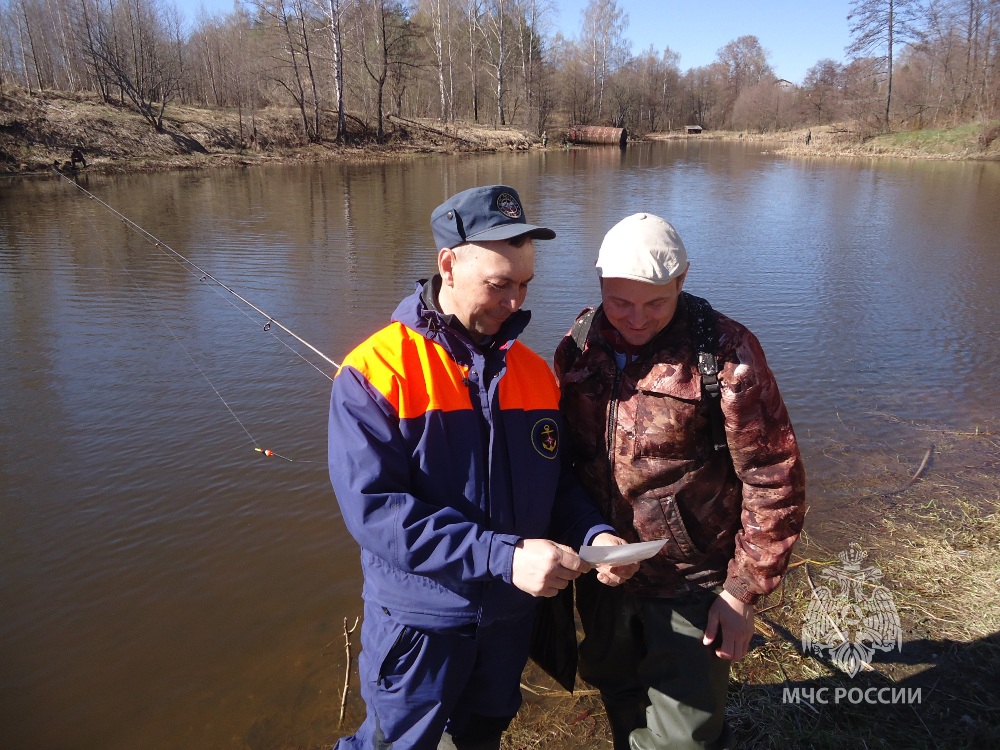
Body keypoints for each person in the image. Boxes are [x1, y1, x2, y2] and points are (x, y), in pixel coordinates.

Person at [328, 185, 636, 750]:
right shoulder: (372, 374)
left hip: (509, 620)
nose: (516, 302)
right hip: (420, 625)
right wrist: (504, 556)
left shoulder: (535, 373)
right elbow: (378, 513)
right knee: (394, 743)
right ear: (448, 264)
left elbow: (557, 480)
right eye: (499, 285)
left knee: (483, 731)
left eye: (524, 286)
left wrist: (593, 533)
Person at [554, 213, 807, 750]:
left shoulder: (726, 354)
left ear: (682, 280)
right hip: (606, 578)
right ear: (600, 284)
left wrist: (740, 594)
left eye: (655, 303)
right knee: (619, 695)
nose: (636, 319)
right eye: (621, 302)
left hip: (693, 582)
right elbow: (562, 464)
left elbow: (774, 478)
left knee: (685, 738)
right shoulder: (578, 346)